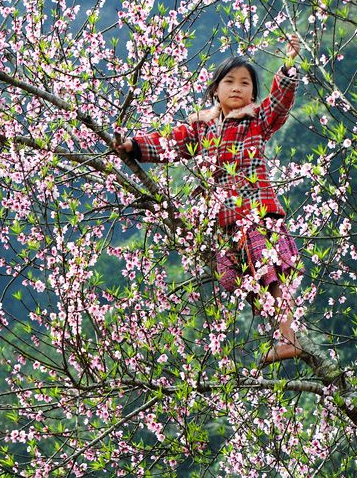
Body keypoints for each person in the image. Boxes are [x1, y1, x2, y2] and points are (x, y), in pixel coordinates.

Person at [115, 35, 303, 366]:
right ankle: (281, 335)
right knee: (249, 282)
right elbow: (167, 144)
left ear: (252, 94)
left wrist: (288, 66)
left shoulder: (256, 121)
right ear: (215, 89)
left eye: (245, 83)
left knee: (273, 276)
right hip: (225, 223)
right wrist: (133, 145)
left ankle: (289, 339)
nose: (237, 88)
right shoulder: (201, 129)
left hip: (256, 213)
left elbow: (279, 103)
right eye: (229, 81)